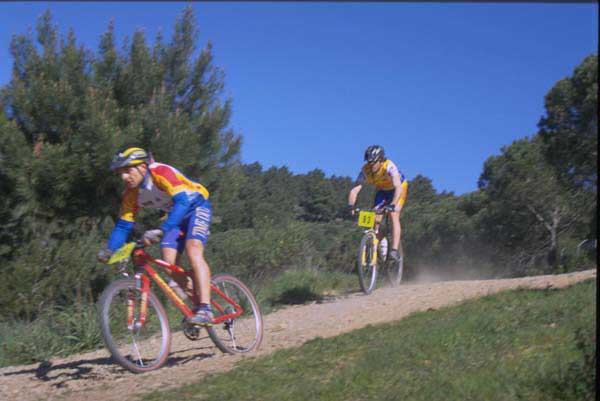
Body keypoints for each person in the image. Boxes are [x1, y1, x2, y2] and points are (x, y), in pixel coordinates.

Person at [97, 147, 214, 326]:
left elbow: (182, 202)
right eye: (120, 173)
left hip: (196, 208)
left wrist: (162, 229)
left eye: (127, 171)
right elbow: (123, 225)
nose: (124, 177)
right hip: (174, 217)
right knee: (169, 265)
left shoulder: (161, 172)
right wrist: (110, 250)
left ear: (143, 167)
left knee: (193, 251)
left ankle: (206, 309)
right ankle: (197, 306)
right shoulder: (131, 194)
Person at [347, 145, 408, 262]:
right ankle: (381, 241)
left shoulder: (389, 166)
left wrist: (393, 204)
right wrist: (351, 206)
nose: (371, 165)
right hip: (382, 190)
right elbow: (355, 190)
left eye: (373, 162)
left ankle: (394, 250)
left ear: (380, 160)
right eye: (369, 162)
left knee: (393, 214)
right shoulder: (365, 170)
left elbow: (398, 187)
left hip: (398, 188)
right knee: (375, 217)